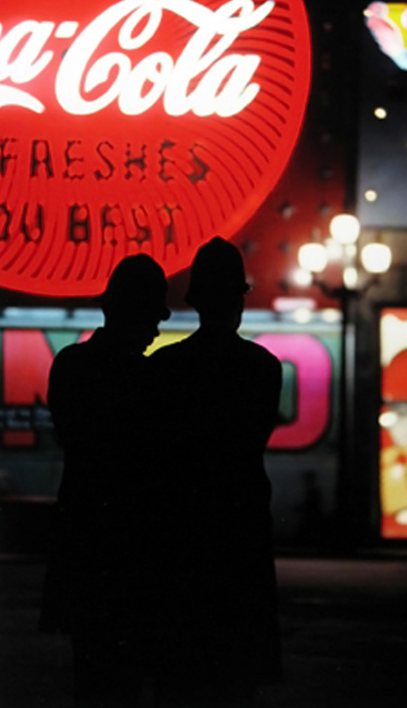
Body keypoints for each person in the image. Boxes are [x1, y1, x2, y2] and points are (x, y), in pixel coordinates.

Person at [150, 237, 283, 708]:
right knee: (235, 676)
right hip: (240, 525)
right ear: (239, 302)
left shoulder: (164, 367)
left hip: (180, 530)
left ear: (196, 300)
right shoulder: (263, 368)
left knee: (181, 671)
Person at [39, 254, 170, 708]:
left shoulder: (71, 365)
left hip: (85, 545)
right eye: (154, 312)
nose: (158, 325)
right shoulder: (153, 379)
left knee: (92, 679)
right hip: (136, 553)